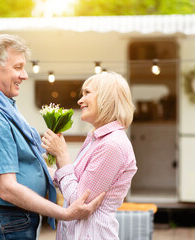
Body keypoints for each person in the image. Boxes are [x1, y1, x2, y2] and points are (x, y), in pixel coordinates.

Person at [0, 34, 105, 240]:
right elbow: (6, 188)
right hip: (4, 221)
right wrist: (65, 214)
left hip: (7, 220)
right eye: (18, 67)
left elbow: (20, 169)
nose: (24, 75)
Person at [42, 72, 138, 240]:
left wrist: (62, 155)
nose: (80, 101)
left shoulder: (112, 145)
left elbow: (79, 201)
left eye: (87, 93)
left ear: (106, 98)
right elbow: (74, 181)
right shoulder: (97, 139)